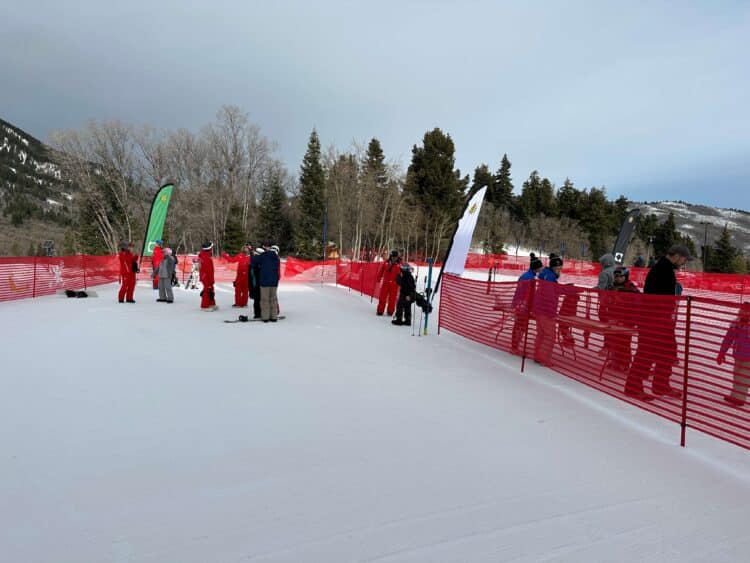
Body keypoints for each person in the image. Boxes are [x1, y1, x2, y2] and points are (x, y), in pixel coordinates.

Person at [624, 244, 692, 400]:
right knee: (646, 354)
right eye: (683, 259)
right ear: (676, 256)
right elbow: (657, 297)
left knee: (667, 353)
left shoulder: (665, 268)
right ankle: (633, 387)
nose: (684, 262)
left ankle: (660, 385)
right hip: (653, 319)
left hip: (661, 320)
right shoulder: (663, 269)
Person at [533, 254, 563, 366]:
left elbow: (552, 292)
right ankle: (543, 358)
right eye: (559, 268)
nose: (560, 271)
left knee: (541, 334)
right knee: (549, 335)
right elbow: (550, 296)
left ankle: (538, 355)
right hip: (546, 311)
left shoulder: (546, 275)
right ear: (554, 267)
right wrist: (551, 312)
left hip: (539, 309)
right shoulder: (550, 278)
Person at [607, 266, 640, 370]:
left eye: (619, 276)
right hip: (615, 318)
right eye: (615, 276)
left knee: (624, 342)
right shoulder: (613, 287)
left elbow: (637, 300)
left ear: (625, 277)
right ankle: (616, 361)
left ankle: (624, 364)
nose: (616, 278)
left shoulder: (630, 288)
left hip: (626, 320)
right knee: (614, 340)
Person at [718, 302, 750, 406]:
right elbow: (728, 339)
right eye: (741, 310)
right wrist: (722, 352)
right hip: (738, 355)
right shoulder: (736, 324)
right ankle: (735, 395)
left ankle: (739, 398)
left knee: (743, 377)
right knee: (737, 375)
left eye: (746, 311)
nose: (742, 312)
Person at [511, 253, 543, 352]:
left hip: (520, 304)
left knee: (520, 325)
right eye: (540, 267)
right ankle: (514, 347)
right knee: (520, 326)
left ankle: (515, 345)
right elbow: (528, 294)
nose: (541, 269)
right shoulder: (529, 278)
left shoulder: (527, 275)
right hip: (523, 306)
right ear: (535, 268)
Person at [259, 243, 281, 322]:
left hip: (265, 282)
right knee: (273, 299)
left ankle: (265, 317)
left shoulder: (264, 256)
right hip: (274, 282)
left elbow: (255, 261)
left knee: (265, 300)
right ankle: (274, 316)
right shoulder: (277, 258)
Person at [376, 250, 401, 317]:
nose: (394, 258)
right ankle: (380, 311)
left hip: (394, 284)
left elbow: (403, 274)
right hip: (386, 283)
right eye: (393, 257)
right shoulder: (386, 263)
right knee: (382, 297)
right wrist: (378, 278)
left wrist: (402, 282)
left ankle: (390, 311)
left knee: (392, 299)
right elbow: (381, 271)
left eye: (395, 257)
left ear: (397, 257)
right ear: (391, 256)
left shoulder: (399, 264)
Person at [198, 241, 217, 311]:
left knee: (211, 289)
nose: (212, 249)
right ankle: (204, 306)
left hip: (206, 276)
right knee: (207, 290)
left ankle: (211, 303)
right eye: (212, 247)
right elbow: (208, 270)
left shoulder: (206, 255)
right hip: (206, 277)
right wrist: (211, 280)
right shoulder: (206, 257)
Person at [250, 246, 265, 319]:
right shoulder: (257, 261)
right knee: (259, 299)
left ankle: (257, 314)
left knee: (257, 299)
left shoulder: (254, 260)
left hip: (256, 283)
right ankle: (258, 313)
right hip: (258, 283)